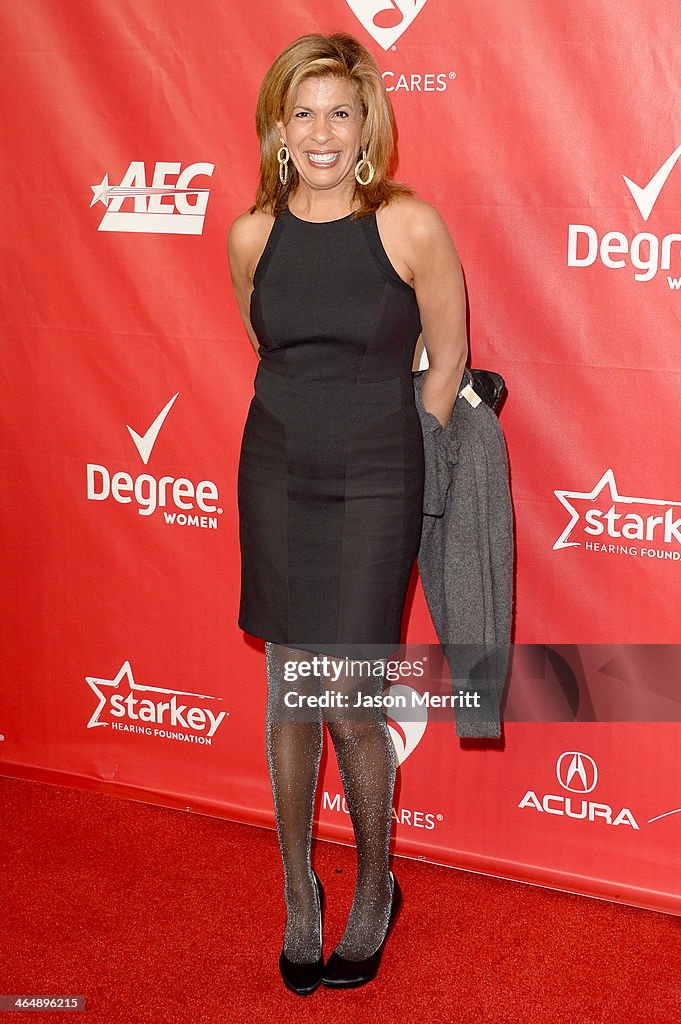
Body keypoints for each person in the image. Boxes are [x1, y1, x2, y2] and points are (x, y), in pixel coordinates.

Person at [227, 32, 467, 995]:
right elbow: (263, 340)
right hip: (276, 464)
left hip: (375, 474)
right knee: (289, 689)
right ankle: (298, 894)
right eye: (303, 113)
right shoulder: (251, 233)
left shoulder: (409, 225)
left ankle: (375, 890)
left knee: (348, 699)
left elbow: (444, 361)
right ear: (277, 129)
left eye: (339, 111)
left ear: (367, 123)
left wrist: (407, 453)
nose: (321, 131)